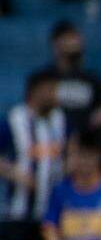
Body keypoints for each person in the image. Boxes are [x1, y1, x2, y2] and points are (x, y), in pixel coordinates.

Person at [1, 73, 68, 225]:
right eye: (50, 90)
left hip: (53, 213)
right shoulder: (15, 119)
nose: (55, 95)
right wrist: (13, 172)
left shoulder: (60, 119)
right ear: (35, 91)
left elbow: (71, 150)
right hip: (18, 212)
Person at [30, 22, 101, 135]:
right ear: (55, 44)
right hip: (50, 139)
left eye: (76, 37)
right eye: (68, 37)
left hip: (85, 140)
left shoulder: (92, 80)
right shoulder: (41, 79)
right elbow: (32, 112)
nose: (74, 41)